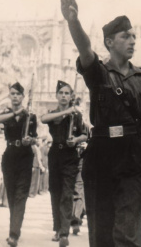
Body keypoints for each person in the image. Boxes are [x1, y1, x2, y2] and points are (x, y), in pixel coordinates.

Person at [61, 0, 141, 246]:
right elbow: (85, 49)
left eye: (134, 36)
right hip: (101, 157)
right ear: (109, 42)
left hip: (133, 160)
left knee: (127, 235)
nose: (133, 40)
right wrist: (73, 21)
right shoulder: (98, 73)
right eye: (125, 36)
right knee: (102, 236)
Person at [41, 80, 87, 246]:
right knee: (55, 193)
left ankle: (64, 233)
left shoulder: (77, 116)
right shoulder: (54, 114)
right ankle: (57, 228)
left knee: (67, 194)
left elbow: (84, 135)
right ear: (56, 95)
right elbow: (44, 119)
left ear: (71, 96)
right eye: (61, 93)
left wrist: (75, 140)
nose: (64, 96)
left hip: (70, 156)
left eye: (67, 93)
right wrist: (67, 111)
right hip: (55, 155)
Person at [0, 82, 38, 247]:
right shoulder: (6, 113)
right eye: (12, 94)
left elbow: (35, 138)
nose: (15, 97)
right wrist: (16, 113)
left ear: (23, 97)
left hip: (25, 156)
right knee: (11, 195)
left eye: (18, 94)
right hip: (10, 155)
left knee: (21, 196)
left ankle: (14, 234)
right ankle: (14, 228)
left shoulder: (30, 116)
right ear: (9, 96)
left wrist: (30, 140)